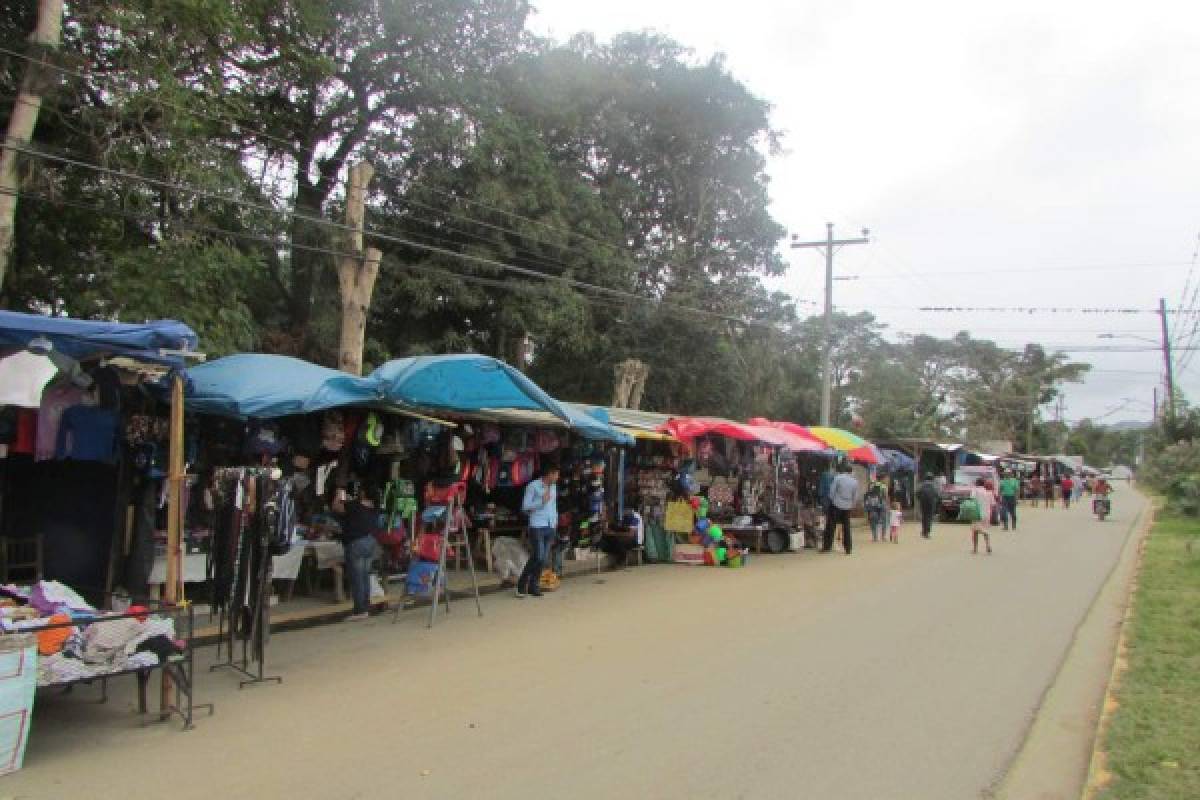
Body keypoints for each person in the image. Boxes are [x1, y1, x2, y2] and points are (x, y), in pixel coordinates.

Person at [332, 483, 380, 621]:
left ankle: (360, 610)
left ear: (364, 493)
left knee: (357, 578)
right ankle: (365, 606)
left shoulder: (355, 505)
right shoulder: (374, 508)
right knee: (365, 575)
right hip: (370, 541)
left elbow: (336, 507)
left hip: (356, 542)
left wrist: (338, 495)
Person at [517, 464, 560, 598]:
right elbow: (525, 507)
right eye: (556, 474)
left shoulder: (553, 487)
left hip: (550, 525)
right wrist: (541, 501)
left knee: (542, 559)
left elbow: (553, 505)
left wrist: (555, 520)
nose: (558, 477)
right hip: (537, 525)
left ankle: (533, 586)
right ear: (549, 474)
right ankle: (521, 584)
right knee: (538, 556)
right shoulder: (533, 486)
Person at [822, 462, 859, 554]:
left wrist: (832, 501)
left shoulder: (838, 478)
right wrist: (852, 505)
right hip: (847, 507)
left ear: (843, 471)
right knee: (846, 527)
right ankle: (848, 548)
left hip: (836, 505)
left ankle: (827, 547)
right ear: (851, 472)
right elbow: (855, 496)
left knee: (830, 526)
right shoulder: (854, 481)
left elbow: (831, 492)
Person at [969, 478, 994, 555]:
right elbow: (993, 504)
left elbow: (972, 499)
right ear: (983, 484)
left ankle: (975, 549)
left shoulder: (975, 490)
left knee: (975, 531)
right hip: (987, 514)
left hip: (977, 513)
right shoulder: (989, 492)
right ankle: (988, 545)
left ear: (976, 483)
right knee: (985, 530)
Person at [864, 475, 889, 542]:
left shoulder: (872, 485)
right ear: (882, 479)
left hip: (872, 505)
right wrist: (887, 505)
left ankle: (875, 537)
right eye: (886, 478)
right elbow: (885, 496)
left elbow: (868, 495)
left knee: (873, 521)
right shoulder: (884, 486)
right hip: (882, 504)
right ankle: (883, 537)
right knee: (884, 521)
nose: (887, 480)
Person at [916, 473, 940, 539]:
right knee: (929, 517)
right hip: (931, 503)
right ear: (932, 478)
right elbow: (937, 495)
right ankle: (927, 532)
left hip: (923, 502)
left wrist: (920, 499)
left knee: (924, 516)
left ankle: (924, 531)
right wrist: (935, 500)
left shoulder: (921, 485)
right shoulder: (934, 485)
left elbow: (917, 493)